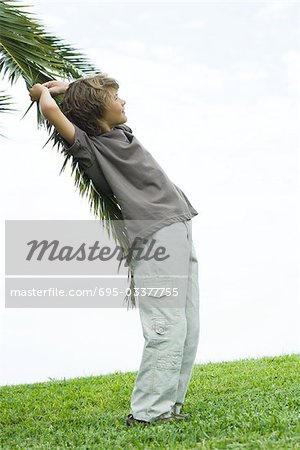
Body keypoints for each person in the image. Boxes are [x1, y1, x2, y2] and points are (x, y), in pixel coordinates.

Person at [29, 74, 200, 426]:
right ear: (97, 109)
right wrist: (45, 91)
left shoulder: (121, 133)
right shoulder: (90, 148)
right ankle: (148, 413)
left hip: (178, 225)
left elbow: (91, 89)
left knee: (188, 324)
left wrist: (69, 84)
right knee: (165, 325)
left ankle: (169, 406)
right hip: (154, 237)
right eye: (116, 97)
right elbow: (48, 108)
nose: (123, 101)